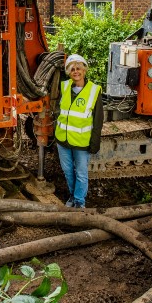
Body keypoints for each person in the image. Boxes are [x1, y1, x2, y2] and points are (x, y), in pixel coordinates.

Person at [54, 54, 103, 208]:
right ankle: (73, 197)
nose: (76, 71)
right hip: (63, 140)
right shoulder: (64, 86)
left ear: (84, 70)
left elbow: (98, 119)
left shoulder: (94, 91)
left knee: (81, 174)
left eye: (79, 68)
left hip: (82, 141)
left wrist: (95, 142)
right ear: (68, 72)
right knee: (68, 171)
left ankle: (79, 203)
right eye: (72, 69)